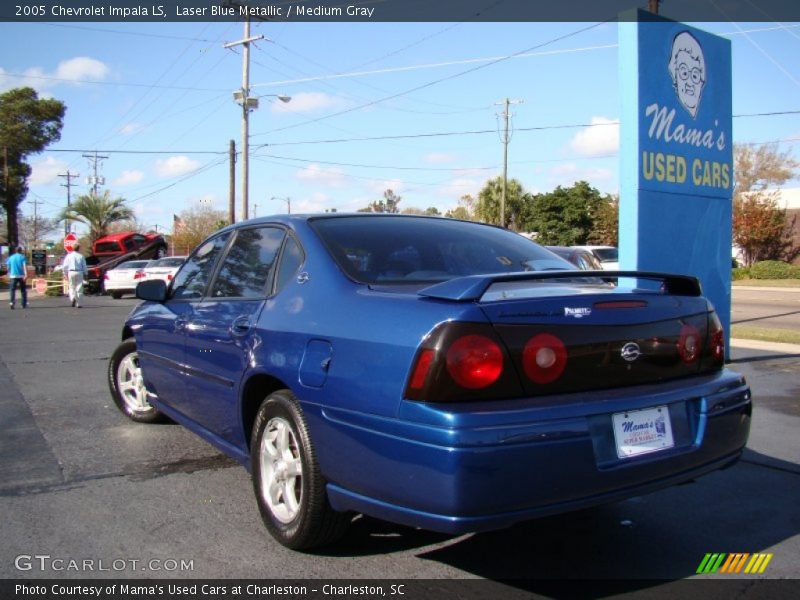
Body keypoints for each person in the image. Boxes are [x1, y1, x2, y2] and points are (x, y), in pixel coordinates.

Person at [62, 243, 88, 308]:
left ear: (72, 248)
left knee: (71, 286)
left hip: (71, 272)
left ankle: (73, 298)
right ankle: (79, 303)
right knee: (79, 287)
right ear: (78, 248)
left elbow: (65, 266)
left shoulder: (68, 256)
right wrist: (86, 274)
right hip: (79, 272)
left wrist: (64, 274)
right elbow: (84, 266)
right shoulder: (81, 256)